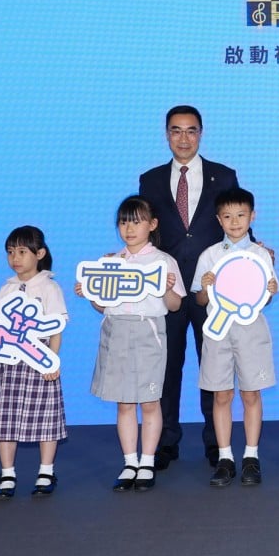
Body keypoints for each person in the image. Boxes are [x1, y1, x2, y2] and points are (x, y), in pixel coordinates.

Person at [140, 105, 239, 470]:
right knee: (166, 368)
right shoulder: (149, 180)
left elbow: (235, 223)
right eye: (176, 131)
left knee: (214, 367)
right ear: (166, 134)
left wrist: (256, 252)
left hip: (211, 291)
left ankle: (217, 441)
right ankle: (165, 441)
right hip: (166, 290)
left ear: (201, 133)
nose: (184, 138)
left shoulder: (224, 176)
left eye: (191, 131)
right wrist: (124, 258)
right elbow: (142, 228)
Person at [80, 196, 185, 493]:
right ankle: (129, 462)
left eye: (137, 221)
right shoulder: (111, 261)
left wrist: (165, 290)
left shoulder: (163, 261)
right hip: (115, 332)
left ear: (152, 225)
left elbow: (176, 305)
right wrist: (90, 293)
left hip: (147, 331)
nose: (129, 228)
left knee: (150, 401)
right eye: (124, 221)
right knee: (124, 402)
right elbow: (103, 307)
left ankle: (148, 461)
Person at [0, 226, 68, 499]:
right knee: (6, 417)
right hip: (10, 362)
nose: (15, 257)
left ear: (39, 253)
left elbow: (56, 329)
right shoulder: (7, 288)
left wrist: (52, 361)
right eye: (10, 252)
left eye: (22, 251)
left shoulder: (49, 286)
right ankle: (7, 473)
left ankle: (46, 471)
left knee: (46, 417)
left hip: (39, 360)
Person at [193, 188, 279, 488]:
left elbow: (265, 300)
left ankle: (251, 456)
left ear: (252, 216)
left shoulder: (261, 255)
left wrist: (267, 289)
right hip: (217, 333)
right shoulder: (210, 255)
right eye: (227, 216)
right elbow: (202, 301)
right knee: (221, 394)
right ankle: (225, 457)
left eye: (241, 215)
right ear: (219, 220)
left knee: (251, 393)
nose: (235, 222)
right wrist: (205, 287)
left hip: (251, 332)